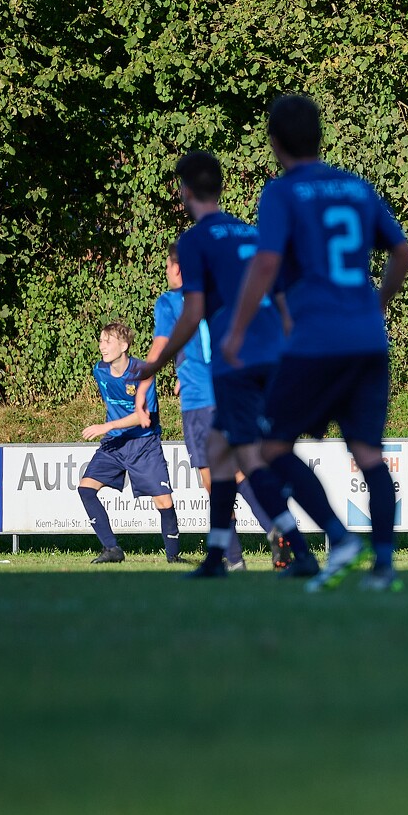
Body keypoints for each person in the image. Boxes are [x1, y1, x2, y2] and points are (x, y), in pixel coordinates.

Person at [221, 94, 408, 592]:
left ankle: (339, 536)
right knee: (368, 455)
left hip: (315, 342)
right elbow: (402, 251)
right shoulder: (356, 187)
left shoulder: (282, 193)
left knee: (270, 446)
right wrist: (378, 303)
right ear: (319, 135)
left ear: (275, 142)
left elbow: (267, 263)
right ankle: (384, 566)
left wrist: (237, 330)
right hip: (367, 341)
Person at [142, 149, 314, 580]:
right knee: (225, 458)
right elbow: (281, 295)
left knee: (247, 464)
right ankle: (220, 557)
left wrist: (155, 366)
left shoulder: (194, 243)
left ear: (185, 191)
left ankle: (297, 547)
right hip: (267, 361)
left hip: (228, 373)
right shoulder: (250, 234)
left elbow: (192, 314)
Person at [150, 243, 273, 572]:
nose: (167, 272)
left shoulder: (170, 301)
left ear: (177, 269)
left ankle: (233, 558)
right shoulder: (220, 297)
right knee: (239, 472)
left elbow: (161, 347)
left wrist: (145, 381)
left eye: (167, 266)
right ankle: (277, 530)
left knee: (213, 482)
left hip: (200, 404)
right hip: (229, 392)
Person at [78, 321, 180, 564]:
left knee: (164, 502)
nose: (102, 346)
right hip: (114, 443)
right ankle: (112, 549)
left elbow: (143, 415)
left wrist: (108, 426)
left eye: (108, 341)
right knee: (85, 489)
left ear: (124, 346)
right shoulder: (99, 370)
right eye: (101, 341)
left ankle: (173, 557)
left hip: (143, 443)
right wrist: (112, 429)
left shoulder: (142, 372)